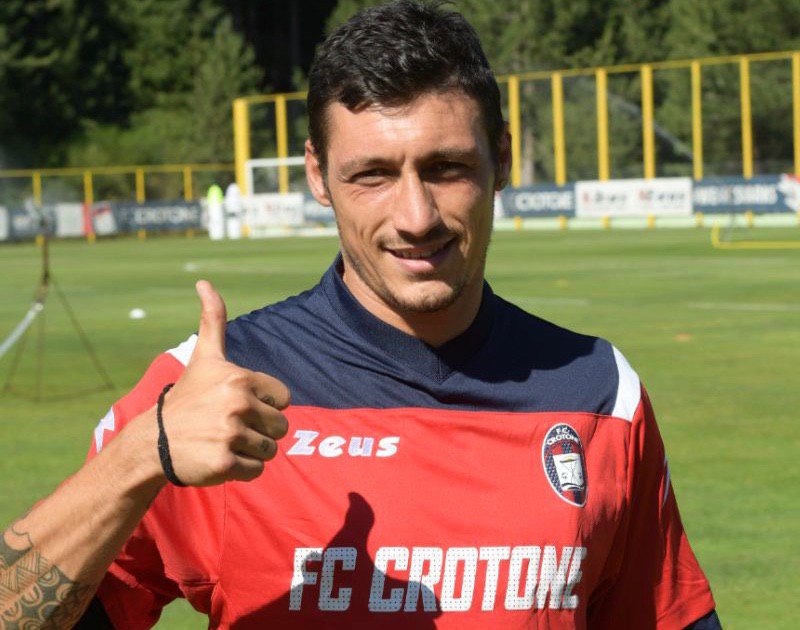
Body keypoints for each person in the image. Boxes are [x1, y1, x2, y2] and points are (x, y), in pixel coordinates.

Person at [0, 2, 721, 628]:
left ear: (501, 159)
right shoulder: (214, 389)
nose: (416, 217)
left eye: (446, 168)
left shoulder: (600, 393)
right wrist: (140, 455)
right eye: (373, 175)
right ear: (318, 176)